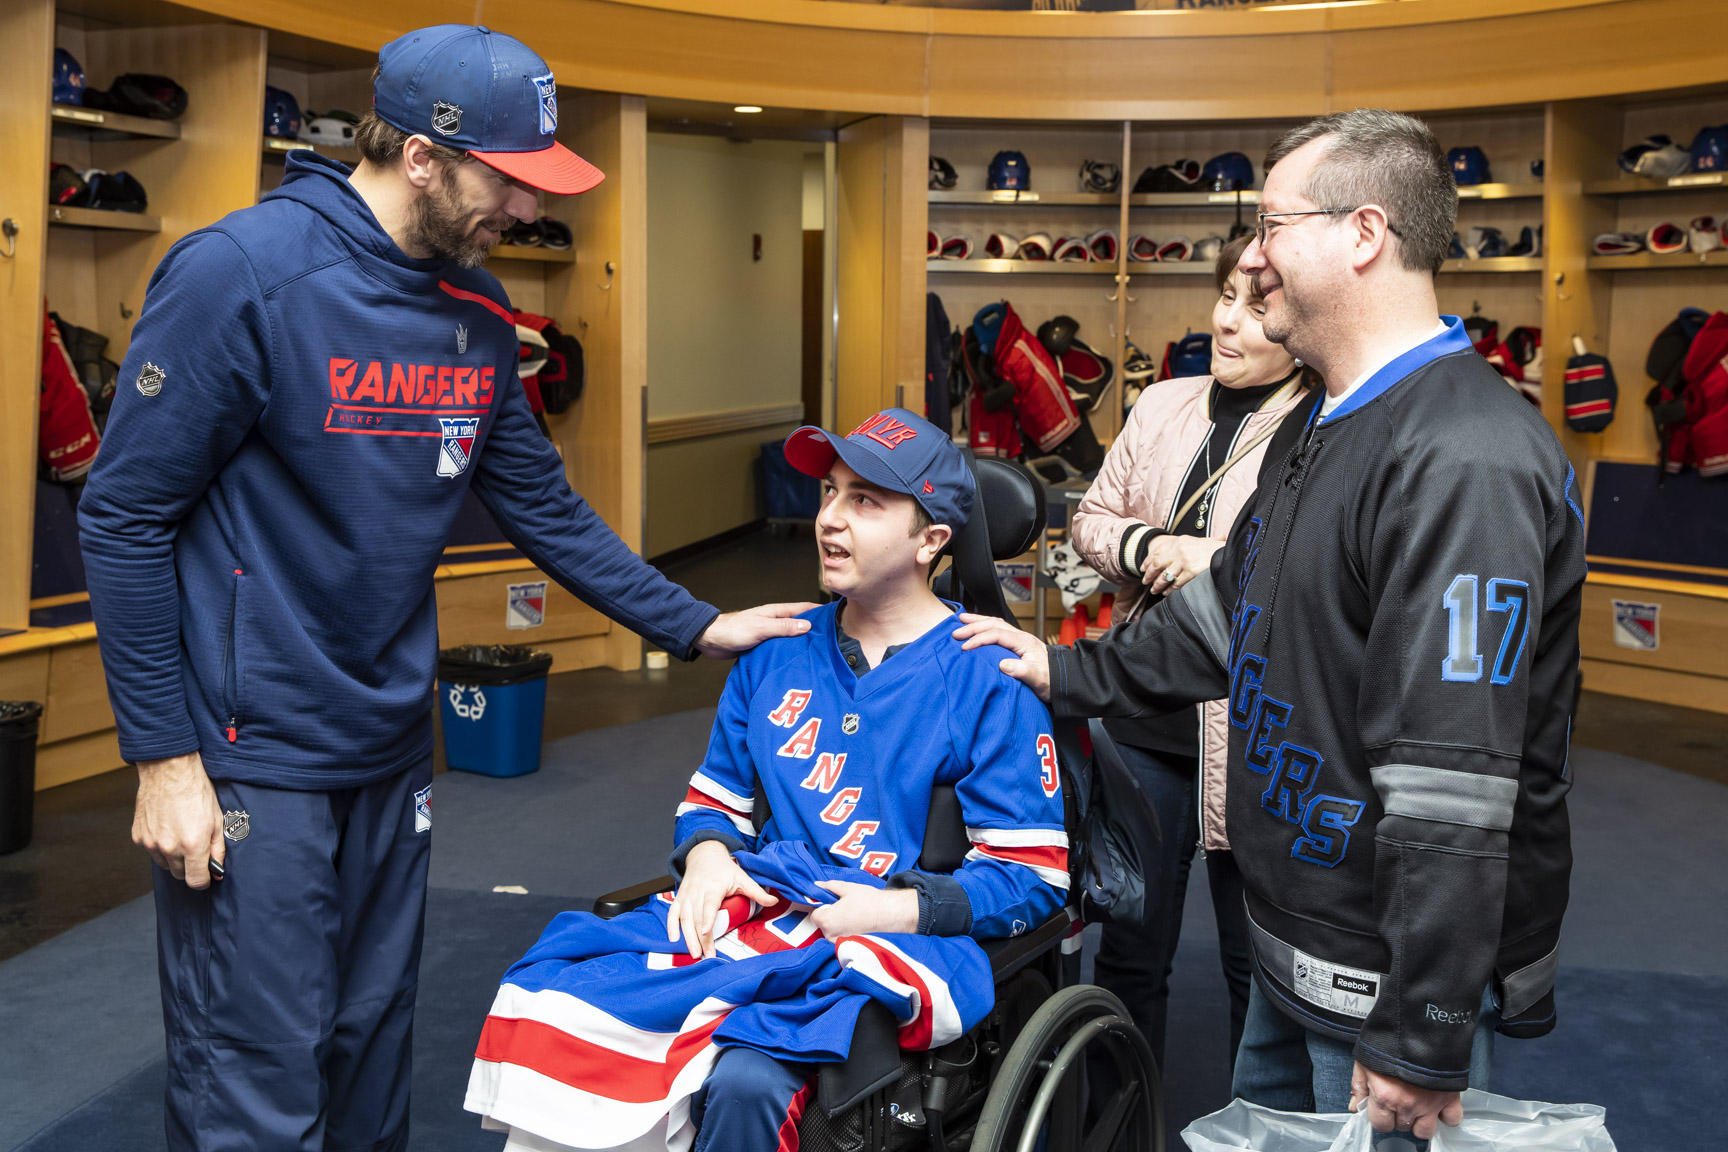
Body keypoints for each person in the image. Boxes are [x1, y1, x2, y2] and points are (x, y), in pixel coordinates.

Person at [77, 25, 810, 1150]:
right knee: (254, 1079)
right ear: (421, 156)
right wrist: (163, 758)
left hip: (386, 745)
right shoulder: (245, 276)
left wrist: (695, 620)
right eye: (508, 182)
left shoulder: (474, 310)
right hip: (249, 753)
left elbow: (543, 505)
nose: (524, 212)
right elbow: (123, 514)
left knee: (369, 1052)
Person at [954, 109, 1584, 1141]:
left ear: (1363, 234)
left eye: (1272, 225)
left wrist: (1422, 1032)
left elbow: (1454, 784)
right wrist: (1065, 675)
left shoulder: (1465, 456)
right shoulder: (1319, 422)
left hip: (1379, 983)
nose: (1252, 255)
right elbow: (1222, 619)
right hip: (1294, 938)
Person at [466, 409, 1070, 1151]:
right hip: (767, 912)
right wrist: (711, 853)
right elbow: (713, 798)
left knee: (749, 1080)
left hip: (890, 938)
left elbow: (1035, 877)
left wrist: (902, 910)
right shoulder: (774, 651)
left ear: (931, 541)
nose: (830, 519)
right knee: (552, 992)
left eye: (866, 501)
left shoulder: (987, 675)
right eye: (828, 492)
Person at [1069, 232, 1309, 1070]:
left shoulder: (1323, 427)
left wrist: (1210, 560)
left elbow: (1313, 565)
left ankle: (1262, 1128)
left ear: (1304, 319)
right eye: (1225, 298)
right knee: (1130, 955)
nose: (1228, 323)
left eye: (1258, 306)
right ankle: (1118, 1124)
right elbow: (1090, 520)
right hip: (1142, 722)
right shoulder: (1161, 403)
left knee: (1261, 972)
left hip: (1255, 738)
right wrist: (1142, 547)